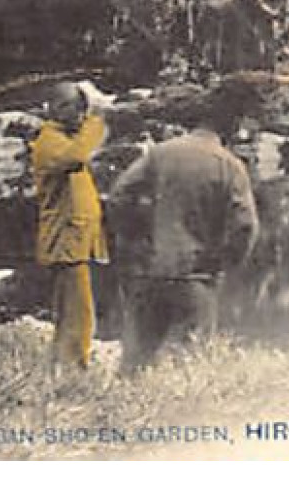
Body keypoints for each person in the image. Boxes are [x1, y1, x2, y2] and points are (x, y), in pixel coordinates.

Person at [107, 83, 259, 371]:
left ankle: (125, 410)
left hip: (151, 268)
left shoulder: (160, 153)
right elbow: (245, 226)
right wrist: (226, 261)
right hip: (197, 273)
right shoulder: (229, 164)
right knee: (192, 357)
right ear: (233, 123)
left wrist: (136, 237)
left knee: (137, 357)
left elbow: (118, 196)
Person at [30, 79, 110, 372]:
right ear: (58, 109)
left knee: (75, 309)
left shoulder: (63, 139)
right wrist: (97, 115)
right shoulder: (50, 141)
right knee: (76, 311)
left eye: (82, 110)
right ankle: (73, 368)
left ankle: (67, 364)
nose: (79, 116)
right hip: (65, 241)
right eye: (76, 110)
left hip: (75, 240)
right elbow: (77, 156)